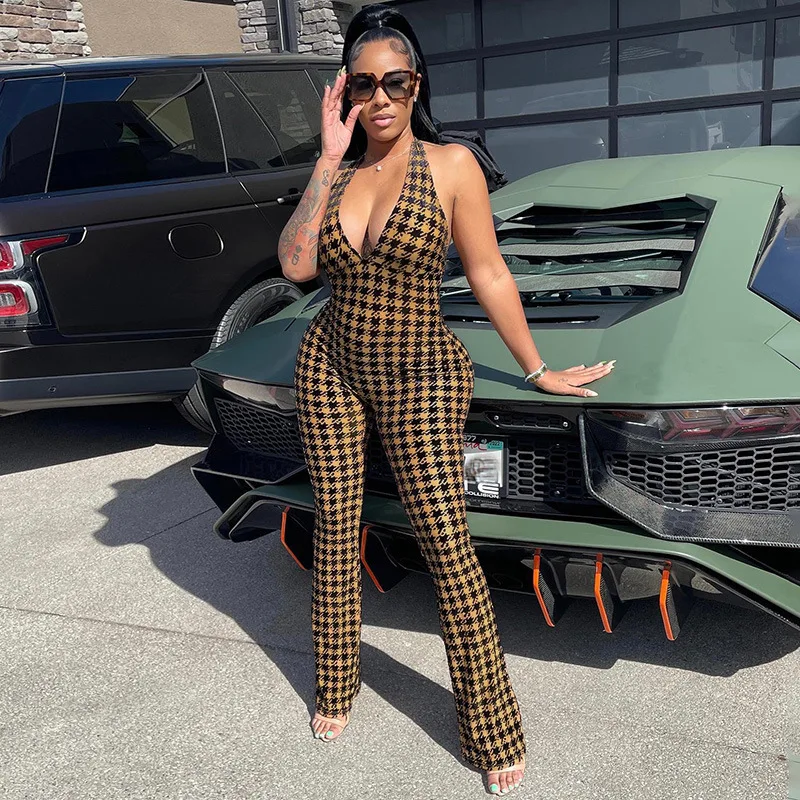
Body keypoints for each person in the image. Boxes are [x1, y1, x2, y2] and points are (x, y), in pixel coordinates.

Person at [277, 4, 615, 795]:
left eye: (394, 82)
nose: (381, 98)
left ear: (416, 84)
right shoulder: (339, 171)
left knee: (444, 541)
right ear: (346, 93)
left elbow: (489, 272)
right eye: (364, 85)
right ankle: (337, 683)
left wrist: (538, 368)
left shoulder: (450, 165)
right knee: (335, 527)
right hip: (331, 364)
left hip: (421, 370)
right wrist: (326, 157)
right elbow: (295, 265)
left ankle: (491, 725)